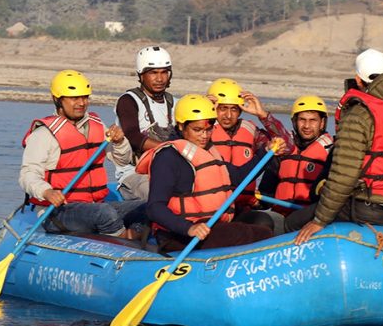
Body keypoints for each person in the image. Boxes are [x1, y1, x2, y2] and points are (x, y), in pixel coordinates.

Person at [293, 49, 383, 245]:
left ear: (358, 80)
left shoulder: (359, 115)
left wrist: (319, 220)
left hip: (371, 209)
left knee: (293, 222)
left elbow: (344, 175)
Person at [136, 94, 282, 251]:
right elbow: (155, 207)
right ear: (180, 126)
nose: (204, 136)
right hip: (178, 235)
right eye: (197, 130)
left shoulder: (209, 152)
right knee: (260, 235)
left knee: (262, 222)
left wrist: (265, 152)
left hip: (210, 225)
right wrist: (188, 228)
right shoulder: (168, 157)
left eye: (208, 129)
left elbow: (239, 177)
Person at [20, 69, 148, 241]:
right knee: (105, 213)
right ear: (58, 99)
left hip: (93, 206)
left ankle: (139, 236)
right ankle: (125, 239)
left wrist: (119, 142)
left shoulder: (96, 125)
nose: (81, 103)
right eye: (74, 98)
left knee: (147, 207)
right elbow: (28, 175)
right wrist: (47, 192)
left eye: (85, 97)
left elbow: (122, 160)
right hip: (58, 212)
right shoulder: (43, 135)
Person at [206, 78, 293, 215]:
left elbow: (287, 146)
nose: (228, 115)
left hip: (243, 205)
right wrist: (204, 113)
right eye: (223, 108)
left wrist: (262, 115)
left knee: (264, 222)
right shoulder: (202, 132)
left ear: (240, 111)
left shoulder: (251, 132)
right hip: (212, 208)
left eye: (234, 109)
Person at [112, 46, 175, 200]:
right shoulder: (128, 101)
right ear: (141, 75)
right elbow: (133, 136)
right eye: (153, 73)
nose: (160, 79)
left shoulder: (173, 103)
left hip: (166, 170)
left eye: (164, 72)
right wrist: (170, 148)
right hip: (134, 174)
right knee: (160, 195)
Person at [258, 95, 334, 221]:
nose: (307, 126)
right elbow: (267, 191)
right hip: (280, 215)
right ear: (294, 122)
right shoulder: (282, 150)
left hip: (311, 217)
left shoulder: (332, 152)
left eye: (313, 120)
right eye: (302, 120)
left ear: (322, 123)